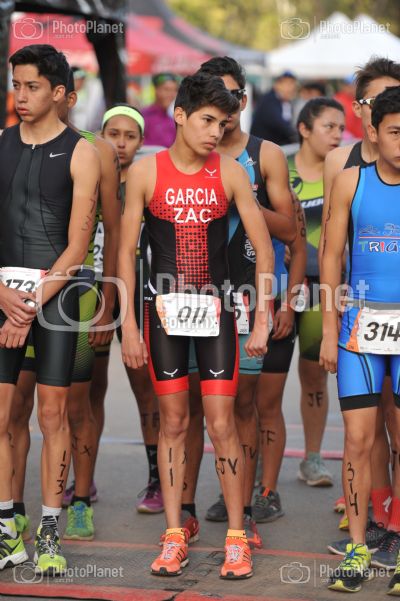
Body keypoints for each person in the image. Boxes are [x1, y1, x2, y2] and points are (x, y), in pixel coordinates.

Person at [118, 73, 274, 579]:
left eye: (223, 123)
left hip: (218, 312)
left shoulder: (230, 172)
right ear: (180, 115)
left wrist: (262, 318)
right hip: (162, 313)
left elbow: (264, 248)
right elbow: (125, 253)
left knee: (222, 423)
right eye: (207, 120)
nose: (215, 131)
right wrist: (128, 325)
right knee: (174, 423)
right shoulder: (146, 172)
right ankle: (173, 535)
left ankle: (236, 538)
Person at [178, 56, 297, 548]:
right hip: (191, 294)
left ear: (242, 100)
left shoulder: (264, 154)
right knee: (187, 407)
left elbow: (290, 230)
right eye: (211, 99)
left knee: (243, 406)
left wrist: (242, 199)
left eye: (228, 97)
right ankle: (182, 510)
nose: (221, 110)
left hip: (246, 293)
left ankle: (243, 509)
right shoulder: (183, 156)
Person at [8, 65, 118, 545]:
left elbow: (89, 241)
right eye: (16, 85)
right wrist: (7, 298)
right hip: (9, 292)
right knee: (9, 410)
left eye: (32, 87)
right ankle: (10, 520)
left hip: (65, 296)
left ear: (61, 94)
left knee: (62, 410)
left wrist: (29, 305)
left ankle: (63, 516)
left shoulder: (89, 151)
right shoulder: (4, 143)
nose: (22, 95)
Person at [319, 57, 400, 567]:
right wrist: (329, 331)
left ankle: (397, 533)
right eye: (395, 132)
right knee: (358, 438)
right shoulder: (351, 180)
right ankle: (357, 543)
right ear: (373, 131)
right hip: (360, 327)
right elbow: (330, 256)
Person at [89, 104, 163, 513]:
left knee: (144, 389)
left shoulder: (146, 179)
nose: (120, 143)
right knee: (90, 389)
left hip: (137, 289)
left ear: (141, 141)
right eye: (113, 134)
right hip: (91, 289)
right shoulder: (86, 174)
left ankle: (156, 480)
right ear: (101, 136)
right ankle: (84, 480)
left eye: (129, 136)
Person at [286, 98, 345, 487]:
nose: (338, 135)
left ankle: (312, 458)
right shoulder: (281, 167)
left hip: (321, 287)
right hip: (276, 286)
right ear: (304, 129)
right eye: (329, 126)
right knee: (264, 383)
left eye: (341, 127)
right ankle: (259, 460)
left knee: (314, 376)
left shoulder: (343, 172)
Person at [250, 71, 298, 146]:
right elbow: (280, 124)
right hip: (261, 147)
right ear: (276, 85)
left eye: (293, 84)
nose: (291, 88)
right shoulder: (269, 100)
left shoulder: (286, 103)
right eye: (288, 84)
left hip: (275, 145)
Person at [142, 73, 179, 147]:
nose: (171, 94)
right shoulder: (144, 116)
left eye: (175, 90)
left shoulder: (174, 119)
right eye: (166, 89)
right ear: (156, 90)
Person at [334, 75, 363, 140]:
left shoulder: (361, 99)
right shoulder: (338, 99)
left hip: (360, 138)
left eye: (356, 86)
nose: (353, 88)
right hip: (344, 139)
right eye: (350, 86)